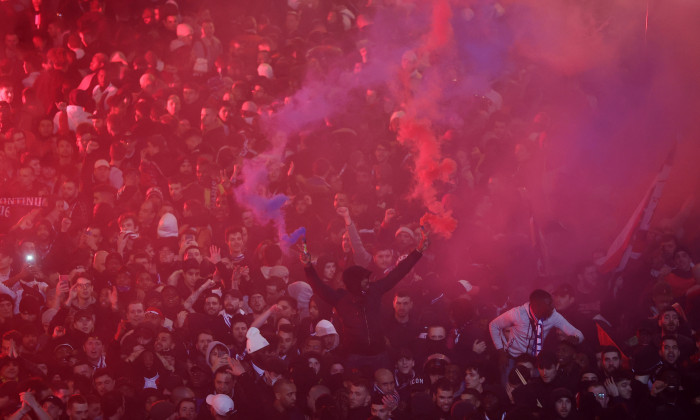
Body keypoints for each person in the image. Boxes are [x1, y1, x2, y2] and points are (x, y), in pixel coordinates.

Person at [301, 229, 429, 369]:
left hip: (379, 354)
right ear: (354, 282)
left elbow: (398, 273)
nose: (368, 281)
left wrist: (418, 251)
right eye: (364, 280)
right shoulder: (340, 299)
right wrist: (308, 267)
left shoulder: (375, 290)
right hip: (354, 356)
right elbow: (319, 287)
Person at [489, 289, 583, 385]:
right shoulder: (517, 314)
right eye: (549, 304)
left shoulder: (553, 315)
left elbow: (577, 333)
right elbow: (493, 325)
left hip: (535, 360)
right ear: (537, 306)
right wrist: (501, 352)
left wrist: (576, 338)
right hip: (513, 357)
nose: (553, 306)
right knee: (509, 386)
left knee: (535, 387)